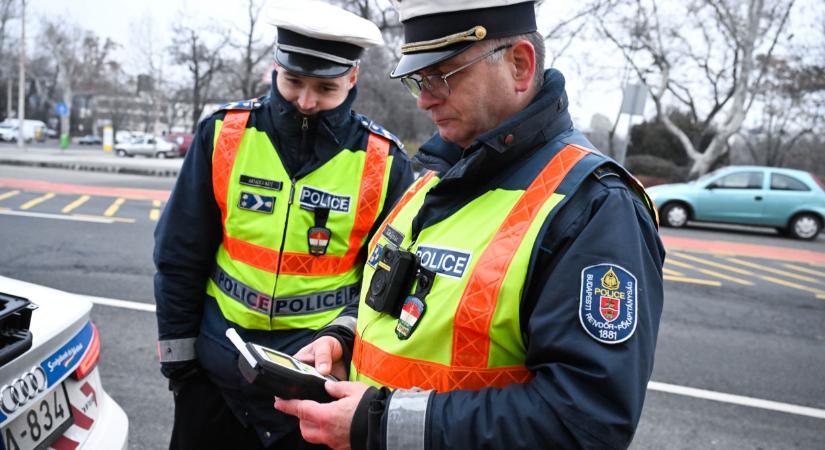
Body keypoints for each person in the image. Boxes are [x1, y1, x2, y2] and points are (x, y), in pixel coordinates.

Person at [274, 1, 666, 449]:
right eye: (418, 80)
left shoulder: (595, 206)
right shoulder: (434, 178)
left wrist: (380, 423)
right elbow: (404, 310)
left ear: (520, 65)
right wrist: (344, 339)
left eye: (442, 74)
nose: (424, 98)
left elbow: (585, 421)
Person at [153, 0, 414, 448]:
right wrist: (182, 368)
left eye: (325, 88)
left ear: (352, 78)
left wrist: (342, 343)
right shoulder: (223, 134)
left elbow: (387, 286)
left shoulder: (384, 163)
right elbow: (179, 256)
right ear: (275, 67)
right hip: (214, 379)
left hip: (313, 386)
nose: (307, 102)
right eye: (292, 81)